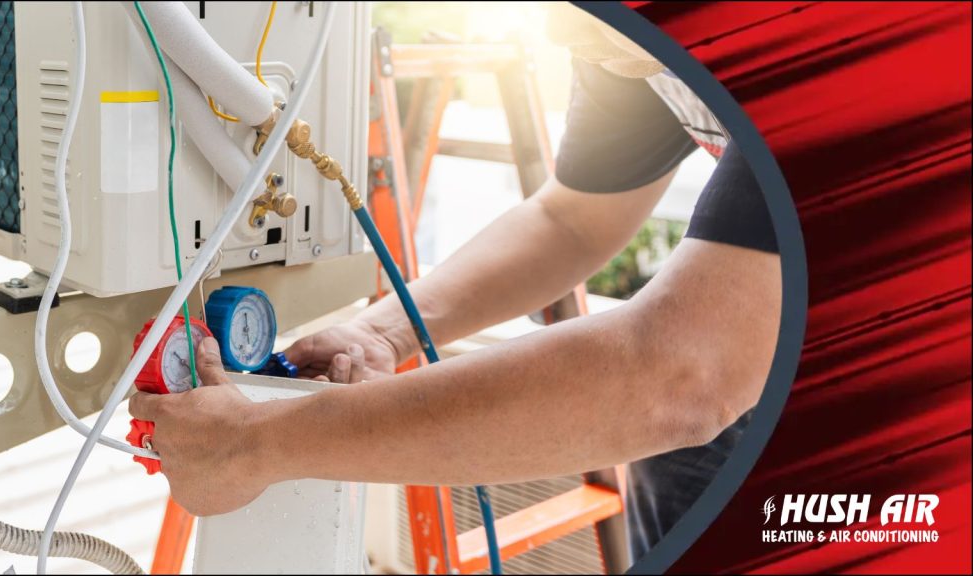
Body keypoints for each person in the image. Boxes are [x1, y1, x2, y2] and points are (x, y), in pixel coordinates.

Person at [129, 7, 781, 563]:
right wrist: (382, 332)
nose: (556, 30)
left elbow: (685, 372)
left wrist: (259, 444)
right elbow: (574, 219)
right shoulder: (618, 42)